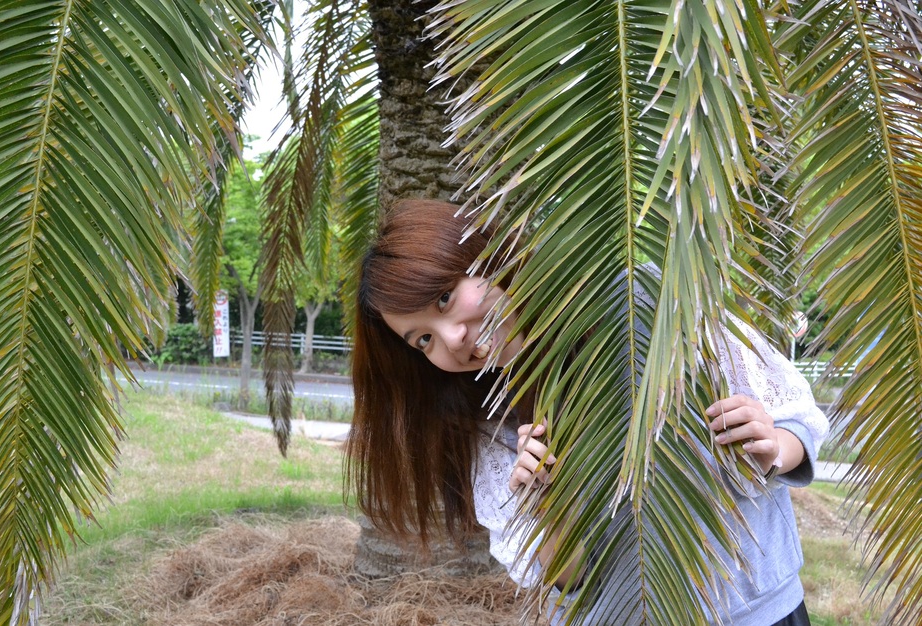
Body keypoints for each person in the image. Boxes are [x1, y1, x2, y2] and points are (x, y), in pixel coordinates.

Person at [346, 198, 828, 625]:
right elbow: (567, 577)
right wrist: (547, 507)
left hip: (756, 610)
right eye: (423, 339)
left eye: (445, 298)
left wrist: (775, 445)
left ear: (482, 256)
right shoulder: (485, 432)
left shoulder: (631, 299)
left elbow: (790, 407)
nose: (452, 339)